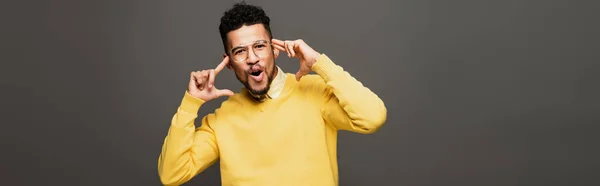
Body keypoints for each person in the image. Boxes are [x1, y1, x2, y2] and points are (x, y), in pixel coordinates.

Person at [157, 2, 387, 186]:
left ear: (274, 50)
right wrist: (191, 103)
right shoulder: (221, 120)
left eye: (259, 46)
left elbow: (372, 118)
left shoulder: (313, 91)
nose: (252, 58)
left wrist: (319, 63)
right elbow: (172, 175)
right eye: (239, 51)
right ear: (228, 63)